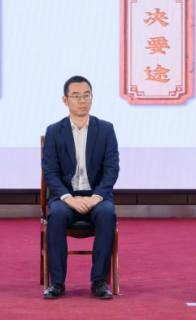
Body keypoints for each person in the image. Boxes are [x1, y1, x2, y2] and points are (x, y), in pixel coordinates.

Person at [41, 76, 120, 300]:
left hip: (96, 197)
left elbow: (112, 169)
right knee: (56, 215)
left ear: (92, 98)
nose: (82, 100)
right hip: (65, 198)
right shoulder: (54, 131)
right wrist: (68, 198)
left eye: (86, 95)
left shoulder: (105, 129)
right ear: (65, 100)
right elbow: (50, 172)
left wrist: (96, 197)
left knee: (107, 214)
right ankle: (57, 283)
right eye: (76, 96)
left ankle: (99, 281)